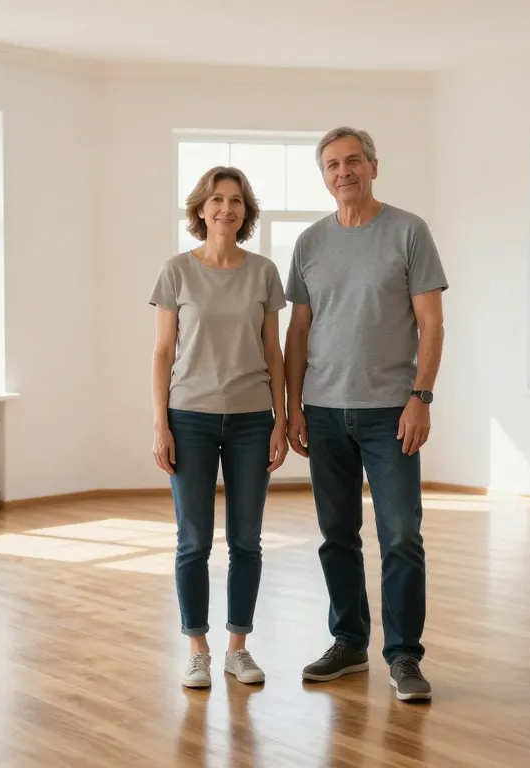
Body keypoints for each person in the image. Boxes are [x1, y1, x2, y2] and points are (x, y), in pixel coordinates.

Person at [284, 127, 448, 702]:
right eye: (332, 164)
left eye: (353, 160)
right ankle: (349, 643)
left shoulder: (408, 231)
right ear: (324, 176)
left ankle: (404, 655)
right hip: (324, 412)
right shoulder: (309, 242)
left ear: (373, 166)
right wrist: (292, 407)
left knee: (401, 534)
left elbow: (431, 323)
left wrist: (420, 397)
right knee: (336, 535)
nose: (343, 171)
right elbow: (298, 331)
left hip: (390, 413)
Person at [149, 165, 289, 689]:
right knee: (193, 541)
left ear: (245, 211)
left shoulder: (264, 273)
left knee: (247, 540)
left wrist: (279, 420)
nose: (226, 209)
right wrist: (160, 424)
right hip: (189, 418)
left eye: (235, 201)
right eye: (216, 200)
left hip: (253, 420)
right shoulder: (177, 271)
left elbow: (274, 353)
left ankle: (238, 648)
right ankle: (197, 649)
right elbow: (163, 352)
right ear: (200, 210)